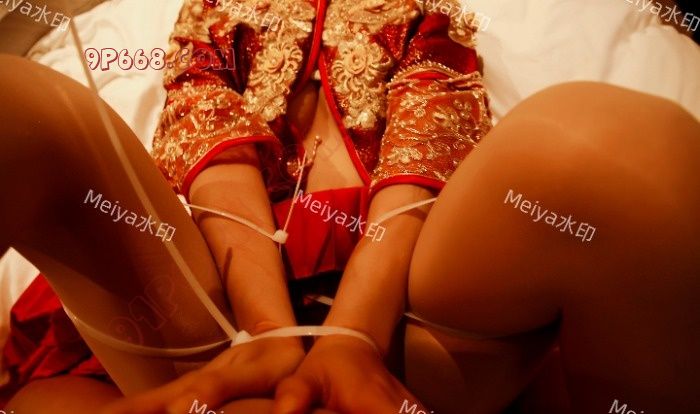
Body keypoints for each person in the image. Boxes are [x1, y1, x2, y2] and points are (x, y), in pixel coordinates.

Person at [1, 1, 699, 413]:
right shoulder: (213, 13)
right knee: (16, 109)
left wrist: (354, 335)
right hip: (209, 302)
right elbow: (205, 134)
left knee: (628, 150)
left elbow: (430, 134)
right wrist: (268, 332)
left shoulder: (421, 13)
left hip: (405, 306)